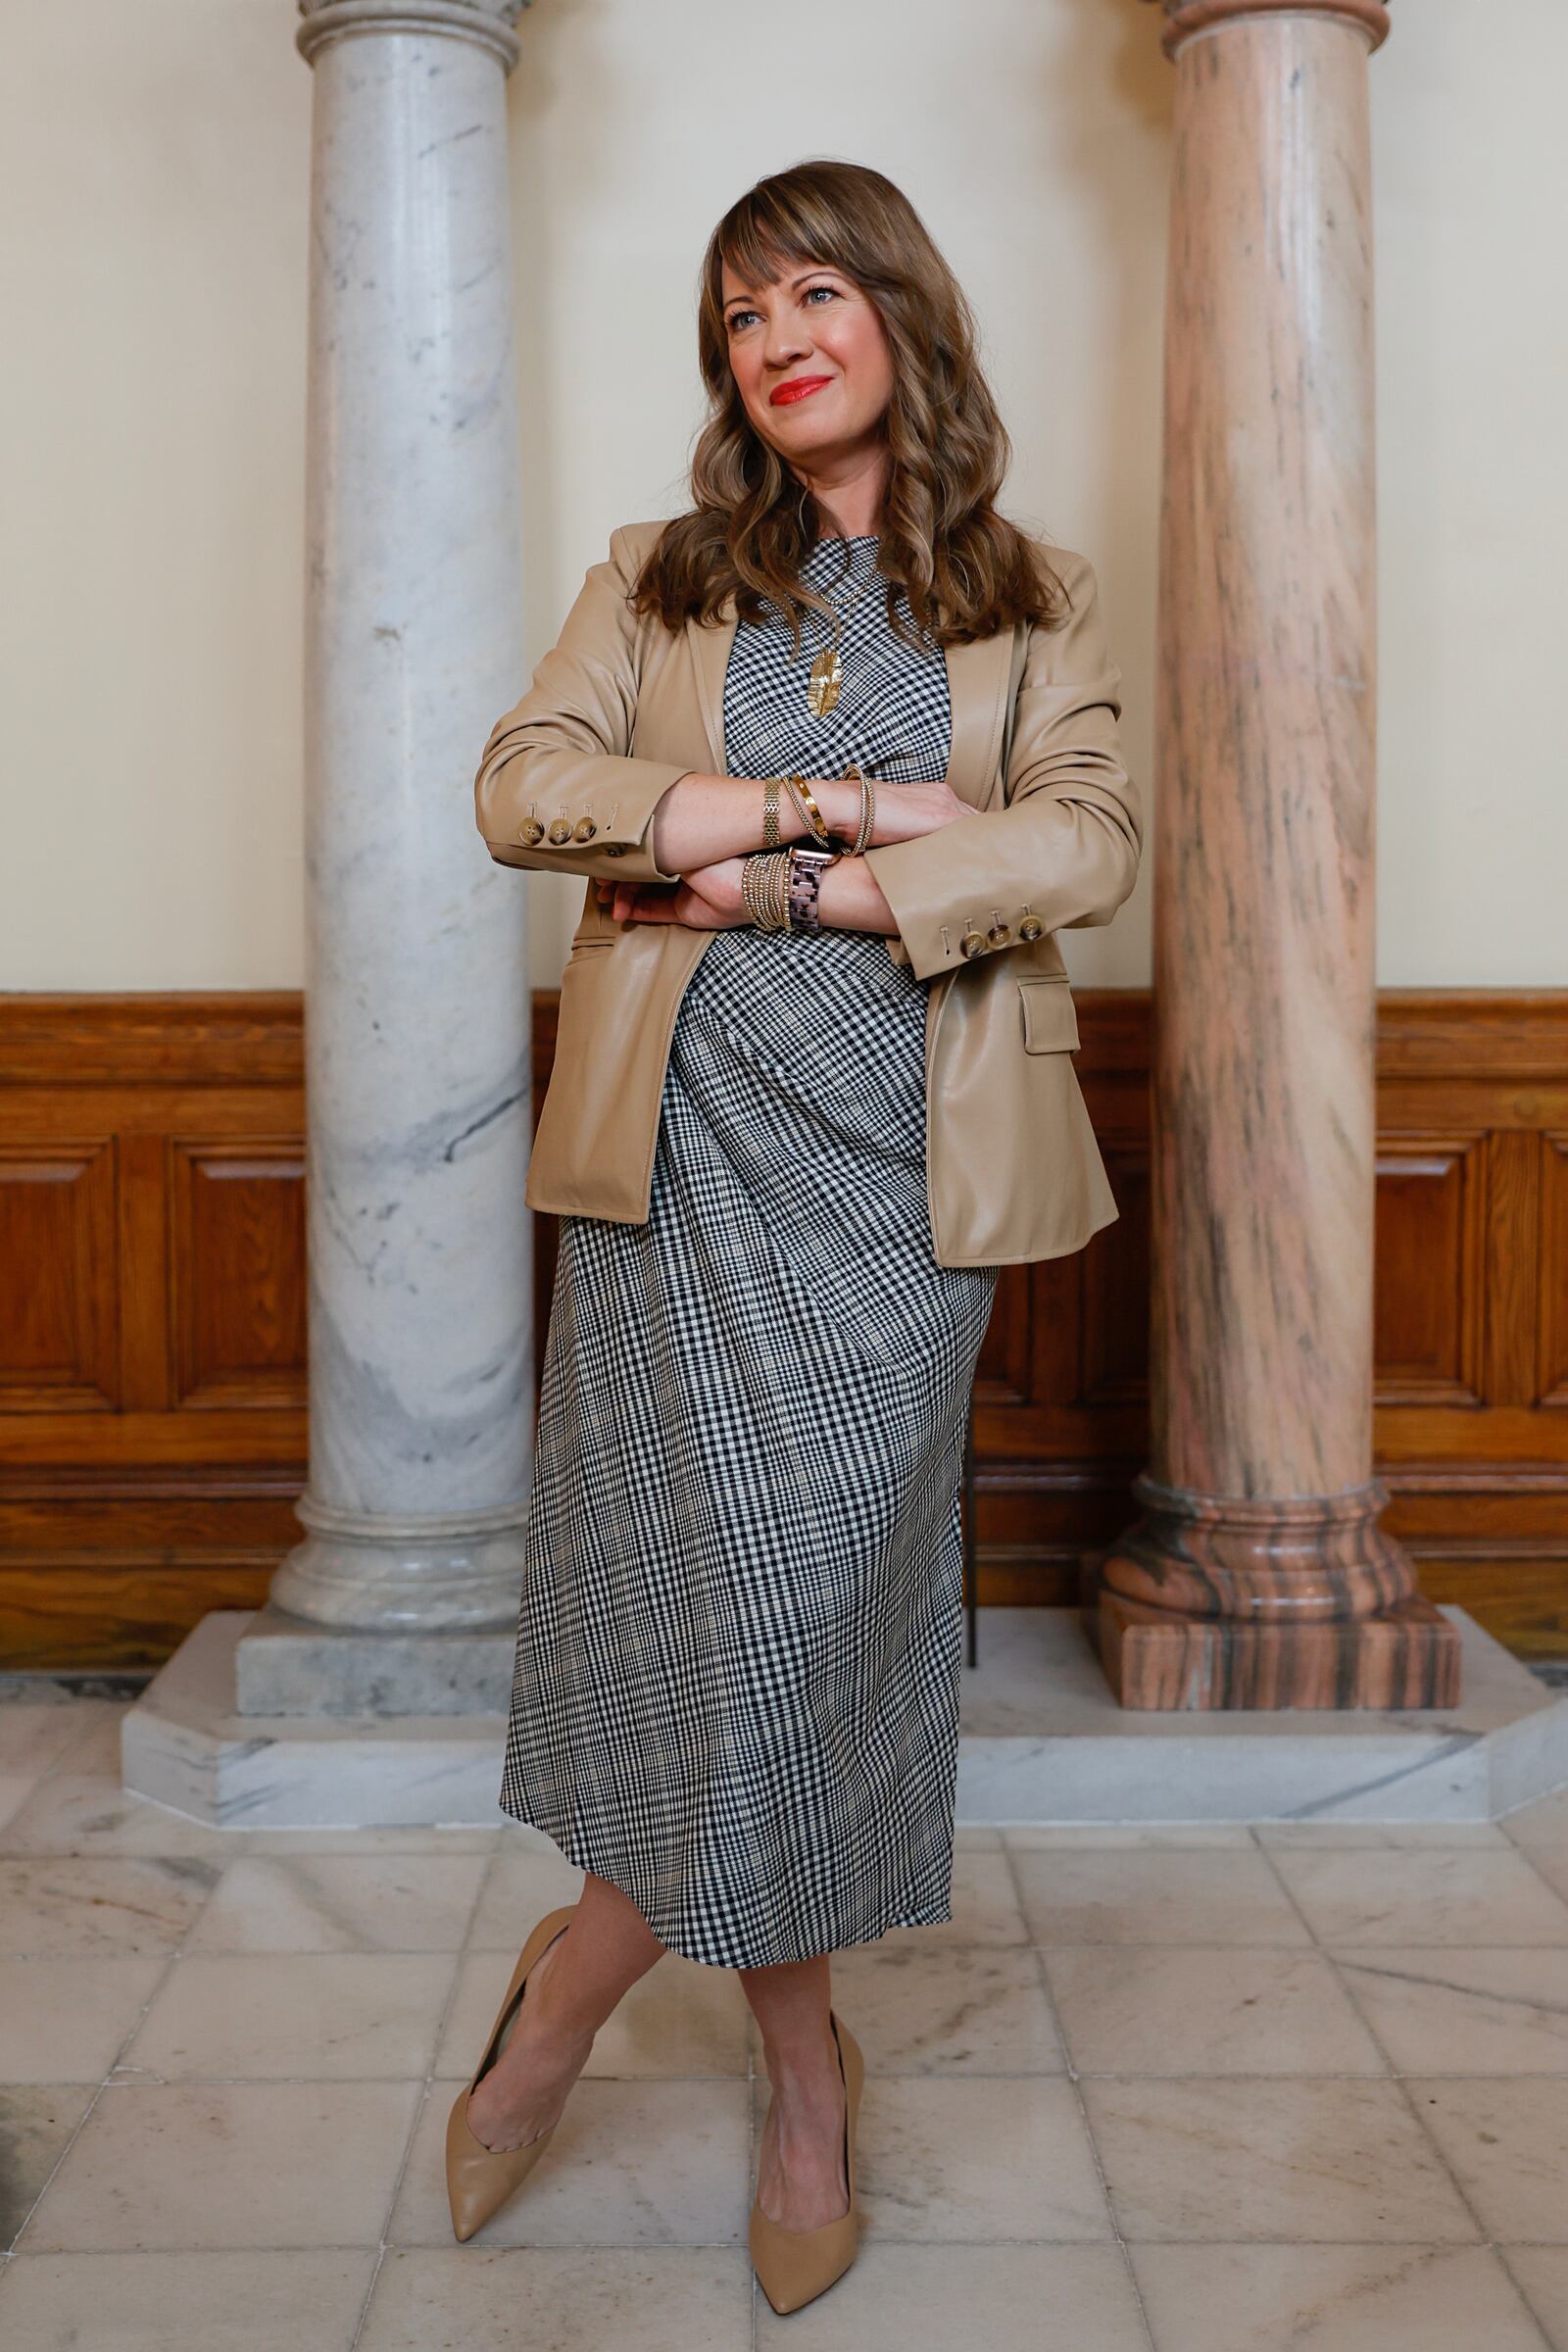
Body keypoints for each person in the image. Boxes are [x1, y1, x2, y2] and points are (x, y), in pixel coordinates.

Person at [448, 157, 1143, 2314]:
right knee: (702, 1633)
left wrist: (752, 881)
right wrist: (835, 817)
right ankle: (797, 2071)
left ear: (899, 318)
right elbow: (516, 788)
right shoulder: (655, 577)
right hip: (673, 1175)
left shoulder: (1036, 593)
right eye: (739, 309)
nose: (773, 336)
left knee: (800, 1638)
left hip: (897, 1202)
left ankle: (567, 1994)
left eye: (813, 290)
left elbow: (1087, 842)